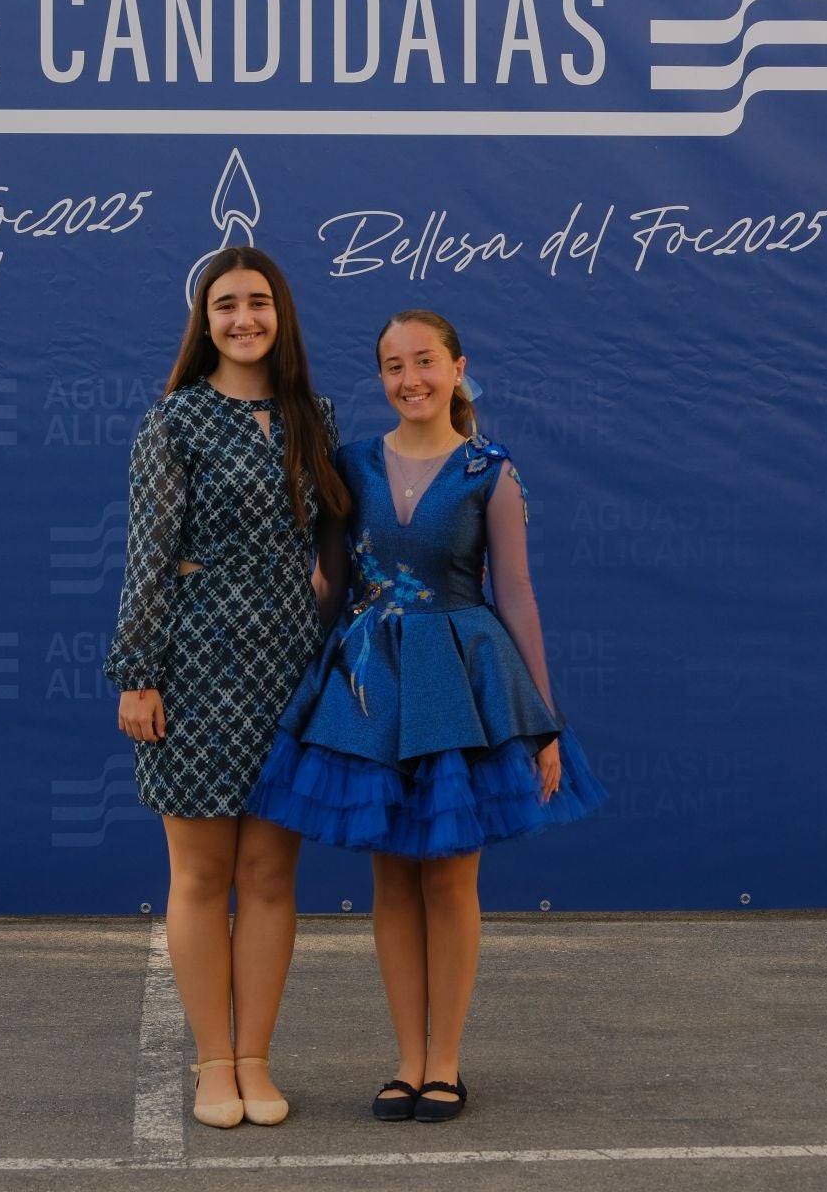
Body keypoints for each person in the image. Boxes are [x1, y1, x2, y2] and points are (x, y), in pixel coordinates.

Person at [247, 309, 605, 1123]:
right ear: (380, 378)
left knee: (449, 879)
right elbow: (327, 588)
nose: (409, 379)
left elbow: (514, 593)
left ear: (456, 368)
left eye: (425, 362)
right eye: (392, 366)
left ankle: (446, 1061)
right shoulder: (351, 465)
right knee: (390, 882)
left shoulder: (491, 470)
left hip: (461, 686)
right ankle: (406, 1060)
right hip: (371, 685)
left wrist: (544, 720)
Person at [105, 247, 350, 1130]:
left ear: (280, 314)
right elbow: (148, 554)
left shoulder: (312, 418)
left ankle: (257, 1058)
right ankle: (213, 1062)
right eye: (224, 306)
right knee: (203, 874)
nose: (243, 319)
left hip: (289, 672)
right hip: (196, 669)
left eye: (257, 303)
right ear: (202, 321)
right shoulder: (174, 421)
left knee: (272, 875)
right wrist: (137, 673)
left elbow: (335, 548)